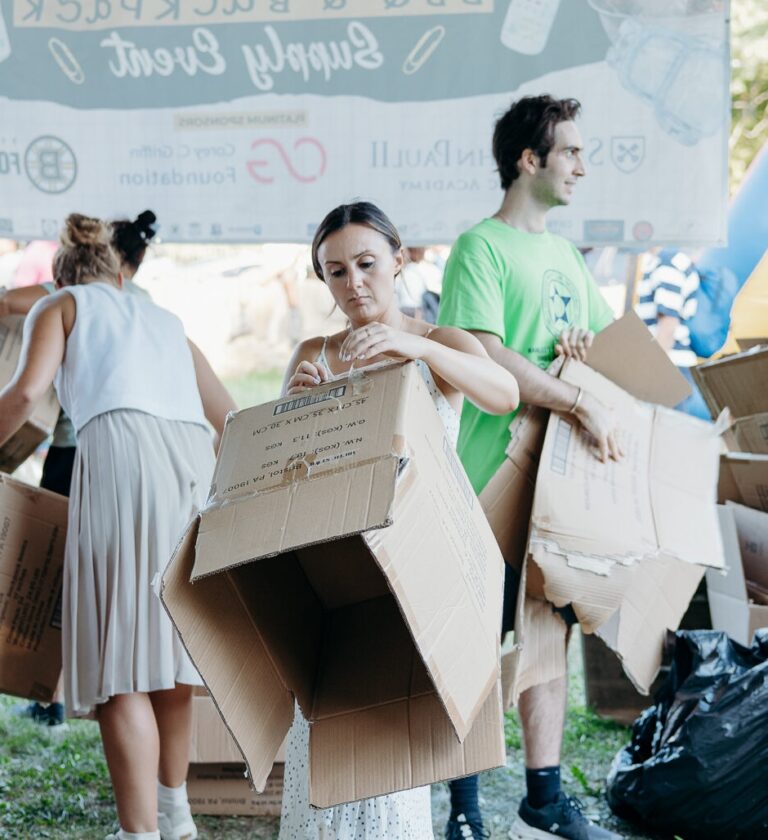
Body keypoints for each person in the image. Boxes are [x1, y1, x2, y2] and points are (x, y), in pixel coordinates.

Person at [278, 201, 520, 839]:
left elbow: (505, 394)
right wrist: (295, 417)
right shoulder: (314, 351)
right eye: (334, 272)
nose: (352, 283)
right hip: (331, 569)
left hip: (414, 573)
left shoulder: (441, 343)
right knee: (321, 743)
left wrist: (409, 343)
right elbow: (279, 482)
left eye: (365, 263)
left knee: (391, 754)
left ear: (399, 258)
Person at [0, 213, 236, 840]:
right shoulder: (167, 322)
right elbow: (231, 417)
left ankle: (139, 835)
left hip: (122, 460)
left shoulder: (60, 305)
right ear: (120, 273)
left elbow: (25, 396)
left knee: (118, 662)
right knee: (169, 653)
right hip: (189, 469)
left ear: (62, 277)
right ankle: (174, 816)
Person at [437, 95, 624, 840]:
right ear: (529, 159)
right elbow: (487, 354)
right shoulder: (478, 248)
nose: (581, 165)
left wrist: (586, 363)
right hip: (488, 477)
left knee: (548, 633)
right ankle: (464, 811)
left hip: (559, 486)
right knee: (475, 644)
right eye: (571, 151)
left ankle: (543, 799)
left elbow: (606, 352)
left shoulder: (567, 257)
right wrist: (577, 399)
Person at [0, 210, 160, 728]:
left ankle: (47, 690)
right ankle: (107, 686)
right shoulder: (146, 305)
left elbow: (12, 318)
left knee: (47, 569)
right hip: (142, 461)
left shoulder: (66, 294)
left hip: (75, 449)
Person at [636, 249, 711, 420]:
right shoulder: (671, 260)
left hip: (669, 367)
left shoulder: (668, 262)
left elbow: (668, 324)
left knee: (663, 435)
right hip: (673, 367)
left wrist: (648, 372)